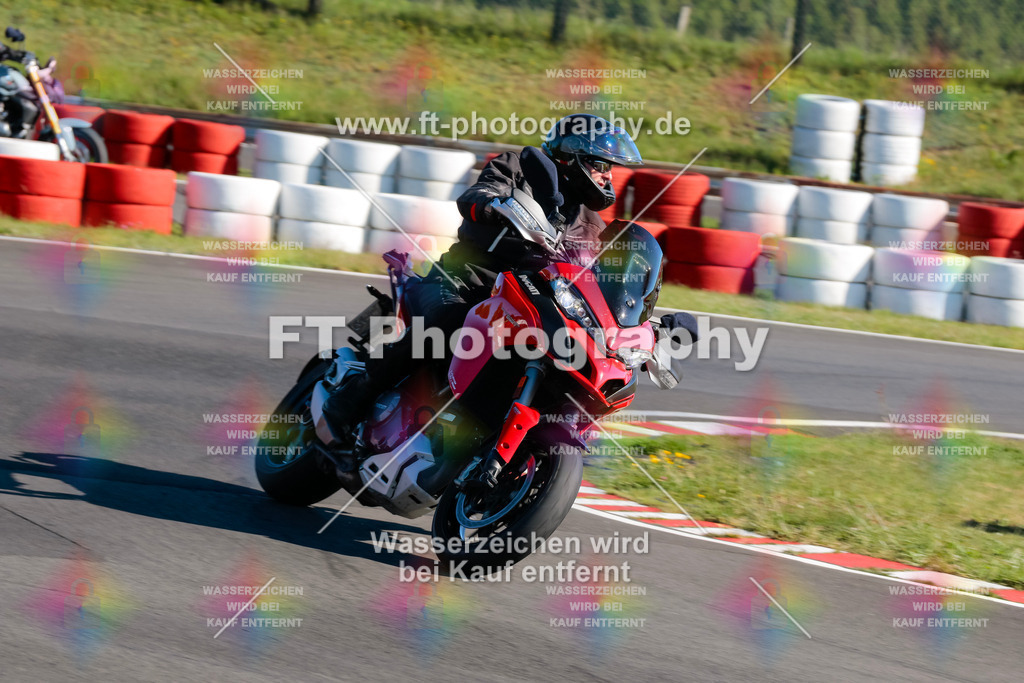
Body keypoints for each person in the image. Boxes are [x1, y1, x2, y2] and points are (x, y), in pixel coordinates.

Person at [321, 114, 644, 486]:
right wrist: (497, 205)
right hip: (465, 280)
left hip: (526, 304)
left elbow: (596, 284)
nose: (608, 177)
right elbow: (475, 196)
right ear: (573, 156)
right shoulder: (519, 167)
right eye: (603, 166)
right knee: (445, 325)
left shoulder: (592, 227)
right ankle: (347, 404)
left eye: (612, 170)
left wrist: (640, 316)